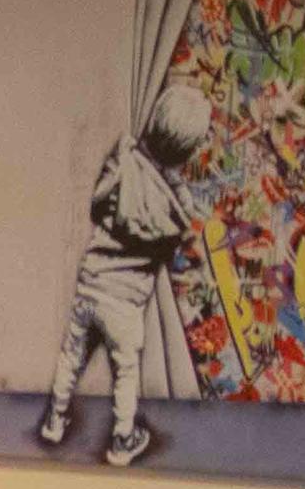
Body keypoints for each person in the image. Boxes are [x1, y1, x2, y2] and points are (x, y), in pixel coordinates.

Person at [42, 82, 211, 467]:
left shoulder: (125, 161)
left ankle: (54, 418)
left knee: (71, 355)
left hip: (91, 283)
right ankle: (122, 440)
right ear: (187, 151)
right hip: (126, 304)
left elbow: (97, 205)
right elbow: (169, 252)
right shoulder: (177, 210)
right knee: (126, 373)